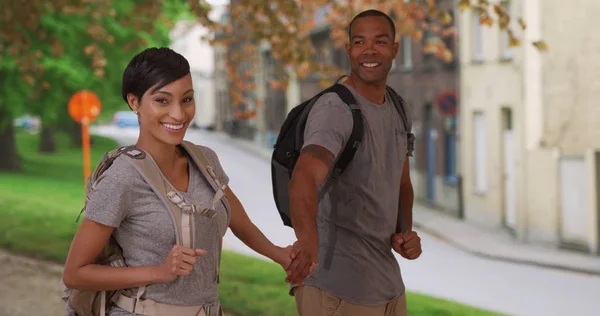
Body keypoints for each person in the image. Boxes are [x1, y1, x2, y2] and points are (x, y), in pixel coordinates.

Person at [62, 47, 296, 316]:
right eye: (162, 100)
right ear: (134, 102)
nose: (179, 114)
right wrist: (159, 272)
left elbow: (239, 222)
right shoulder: (123, 177)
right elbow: (75, 273)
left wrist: (280, 255)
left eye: (186, 99)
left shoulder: (204, 160)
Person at [284, 9, 423, 316]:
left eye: (380, 42)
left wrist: (404, 233)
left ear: (395, 49)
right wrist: (307, 243)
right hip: (336, 289)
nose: (369, 51)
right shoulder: (336, 109)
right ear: (348, 51)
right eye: (359, 42)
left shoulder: (398, 107)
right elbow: (304, 178)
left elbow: (401, 184)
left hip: (386, 285)